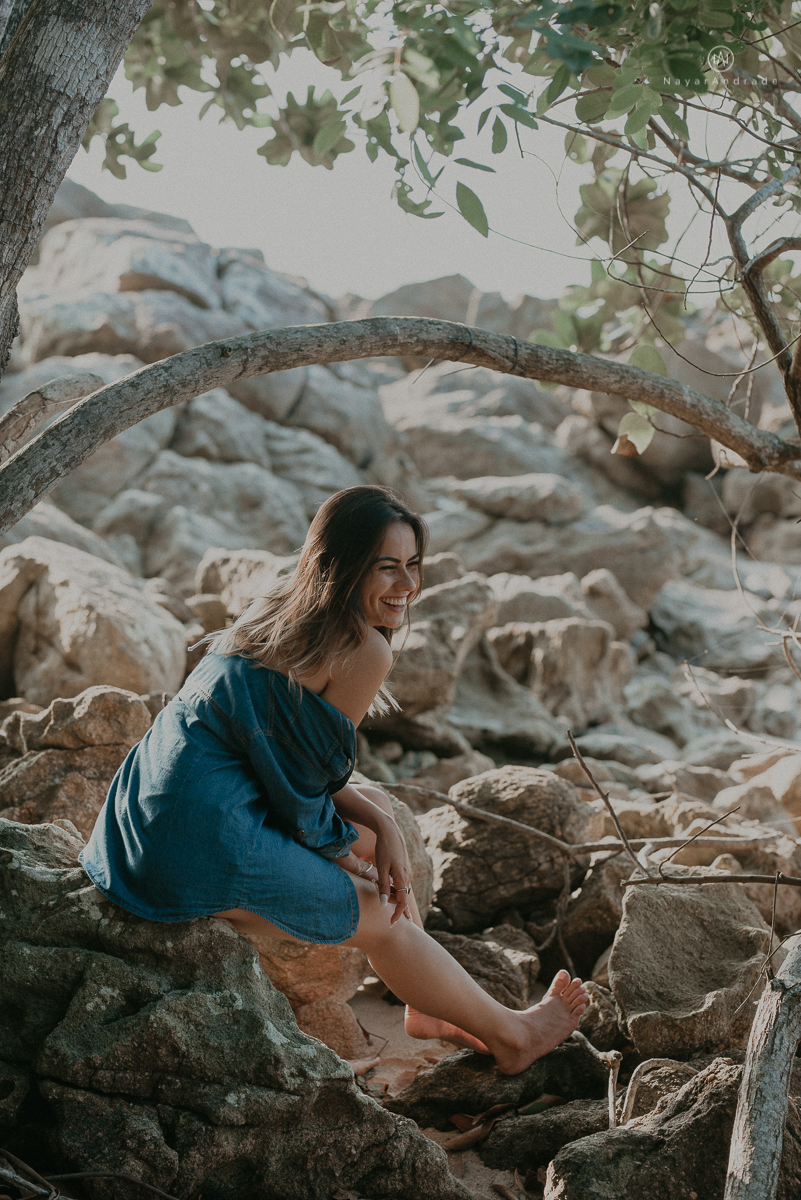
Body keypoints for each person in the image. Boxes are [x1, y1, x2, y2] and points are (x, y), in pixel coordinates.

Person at [80, 485, 587, 1074]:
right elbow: (298, 786)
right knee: (383, 912)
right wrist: (341, 853)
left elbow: (283, 762)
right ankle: (512, 1038)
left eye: (414, 566)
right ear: (343, 566)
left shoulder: (277, 607)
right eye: (387, 568)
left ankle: (428, 1006)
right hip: (190, 850)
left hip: (137, 827)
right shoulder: (361, 647)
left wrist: (379, 821)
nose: (408, 586)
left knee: (372, 811)